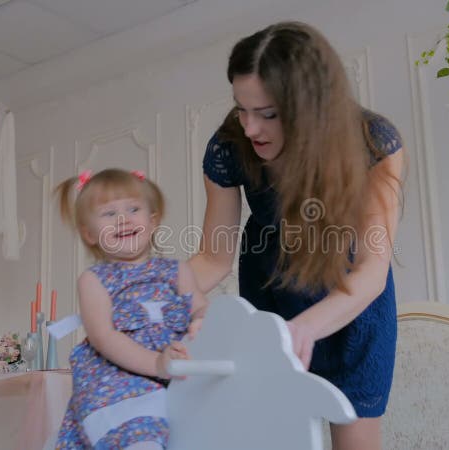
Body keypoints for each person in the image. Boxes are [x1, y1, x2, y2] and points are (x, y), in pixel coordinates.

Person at [190, 21, 405, 450]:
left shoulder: (371, 142)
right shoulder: (229, 147)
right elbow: (213, 259)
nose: (250, 129)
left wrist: (302, 330)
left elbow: (372, 268)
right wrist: (155, 297)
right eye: (241, 108)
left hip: (351, 305)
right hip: (269, 295)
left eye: (268, 114)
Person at [55, 168, 208, 450]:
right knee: (139, 434)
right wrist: (156, 364)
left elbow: (201, 309)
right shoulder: (95, 279)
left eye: (133, 209)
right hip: (118, 379)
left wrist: (200, 322)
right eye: (109, 214)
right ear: (89, 233)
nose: (122, 219)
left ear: (152, 221)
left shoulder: (177, 271)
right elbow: (104, 337)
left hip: (177, 369)